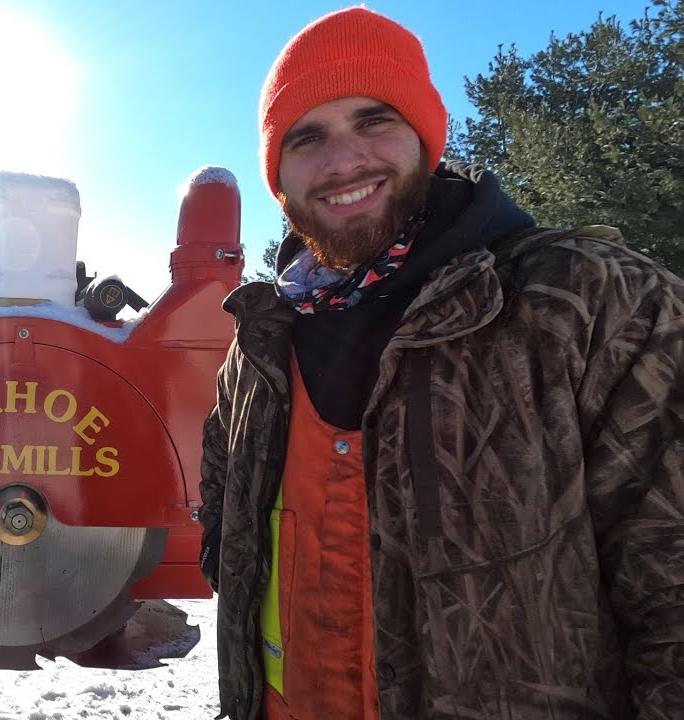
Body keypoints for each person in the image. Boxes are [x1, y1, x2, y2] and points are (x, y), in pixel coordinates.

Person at [198, 7, 683, 720]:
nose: (342, 161)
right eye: (307, 137)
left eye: (374, 119)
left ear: (426, 138)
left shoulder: (593, 303)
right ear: (280, 175)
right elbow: (223, 505)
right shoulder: (263, 337)